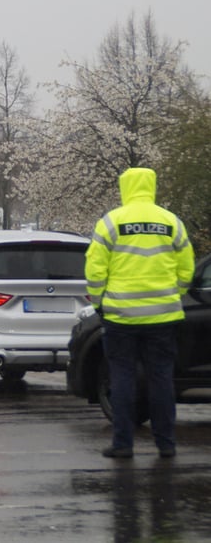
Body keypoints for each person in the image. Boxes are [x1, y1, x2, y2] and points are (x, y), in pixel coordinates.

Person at [85, 167, 194, 459]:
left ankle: (123, 444)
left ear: (125, 187)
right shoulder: (171, 222)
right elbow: (187, 268)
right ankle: (166, 444)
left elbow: (94, 270)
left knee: (122, 379)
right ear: (152, 186)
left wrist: (100, 302)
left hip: (121, 317)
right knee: (161, 380)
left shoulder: (111, 222)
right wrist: (174, 294)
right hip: (163, 317)